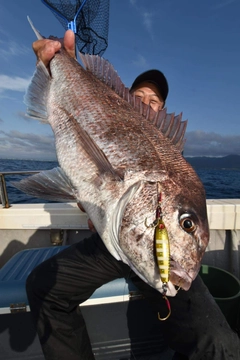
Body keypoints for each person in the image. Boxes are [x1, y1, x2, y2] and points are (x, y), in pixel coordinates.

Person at [26, 30, 240, 360]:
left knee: (218, 342)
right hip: (107, 247)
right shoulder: (107, 111)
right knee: (41, 286)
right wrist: (51, 63)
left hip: (161, 256)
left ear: (162, 110)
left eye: (154, 102)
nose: (145, 105)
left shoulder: (172, 158)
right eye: (137, 96)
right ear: (122, 96)